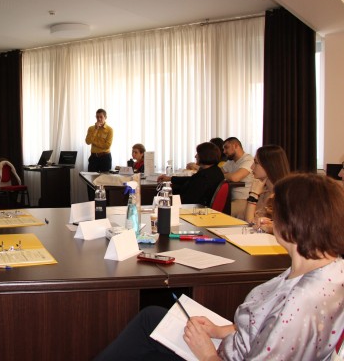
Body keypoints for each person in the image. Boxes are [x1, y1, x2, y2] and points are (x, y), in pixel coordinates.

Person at [96, 173, 344, 361]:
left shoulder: (303, 303)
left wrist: (207, 353)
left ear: (292, 222)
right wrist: (220, 330)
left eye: (274, 211)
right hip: (233, 344)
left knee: (147, 327)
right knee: (151, 318)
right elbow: (266, 326)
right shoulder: (322, 268)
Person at [157, 142, 224, 206]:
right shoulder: (216, 171)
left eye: (197, 153)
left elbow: (188, 200)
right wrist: (170, 178)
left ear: (204, 155)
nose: (195, 156)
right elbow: (192, 179)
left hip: (193, 209)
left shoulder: (203, 177)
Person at [244, 145, 290, 233]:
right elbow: (250, 223)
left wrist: (253, 195)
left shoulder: (284, 195)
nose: (252, 167)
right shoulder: (264, 190)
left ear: (269, 166)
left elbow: (250, 223)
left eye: (256, 163)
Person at [221, 137, 253, 219]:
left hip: (244, 199)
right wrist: (228, 175)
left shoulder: (248, 160)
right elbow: (218, 173)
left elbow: (235, 178)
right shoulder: (230, 162)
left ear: (235, 146)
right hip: (230, 198)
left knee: (220, 214)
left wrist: (228, 175)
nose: (224, 151)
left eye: (226, 148)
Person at [85, 108, 113, 172]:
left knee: (105, 177)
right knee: (91, 177)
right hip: (93, 157)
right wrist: (96, 129)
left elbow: (107, 146)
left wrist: (94, 142)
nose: (99, 119)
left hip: (105, 157)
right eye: (97, 117)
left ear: (105, 117)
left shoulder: (109, 130)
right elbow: (88, 142)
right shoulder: (91, 128)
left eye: (101, 117)